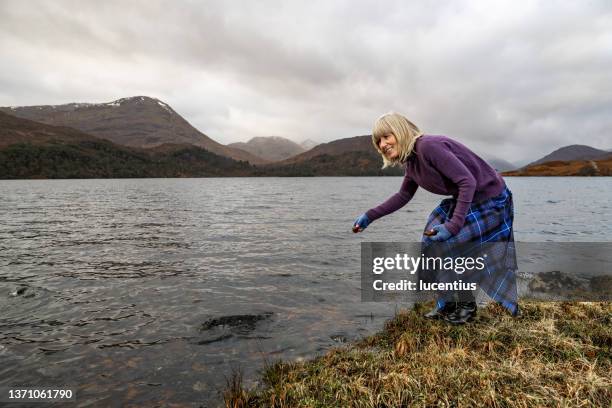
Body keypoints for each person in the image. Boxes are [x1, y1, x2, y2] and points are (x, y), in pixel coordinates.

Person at [353, 112, 518, 324]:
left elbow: (467, 181)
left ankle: (466, 307)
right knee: (432, 241)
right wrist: (369, 216)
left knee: (452, 243)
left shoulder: (428, 147)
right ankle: (447, 304)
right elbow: (403, 195)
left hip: (491, 199)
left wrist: (453, 225)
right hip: (468, 198)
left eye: (387, 136)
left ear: (401, 131)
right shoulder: (412, 163)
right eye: (378, 141)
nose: (383, 144)